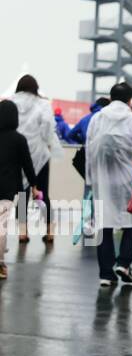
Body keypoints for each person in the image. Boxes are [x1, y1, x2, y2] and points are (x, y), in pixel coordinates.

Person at [84, 83, 132, 287]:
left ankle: (106, 273)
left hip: (102, 179)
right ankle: (123, 263)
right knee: (131, 220)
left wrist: (89, 179)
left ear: (111, 97)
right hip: (126, 179)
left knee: (104, 223)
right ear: (130, 100)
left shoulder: (97, 118)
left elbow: (88, 148)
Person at [10, 75, 60, 245]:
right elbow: (48, 127)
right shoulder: (43, 104)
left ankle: (22, 233)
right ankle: (49, 231)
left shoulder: (12, 102)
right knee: (42, 193)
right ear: (35, 88)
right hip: (40, 156)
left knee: (22, 194)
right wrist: (45, 143)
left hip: (18, 154)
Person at [0, 99, 38, 280]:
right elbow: (27, 165)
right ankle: (0, 265)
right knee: (1, 226)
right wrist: (34, 184)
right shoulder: (19, 139)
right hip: (7, 188)